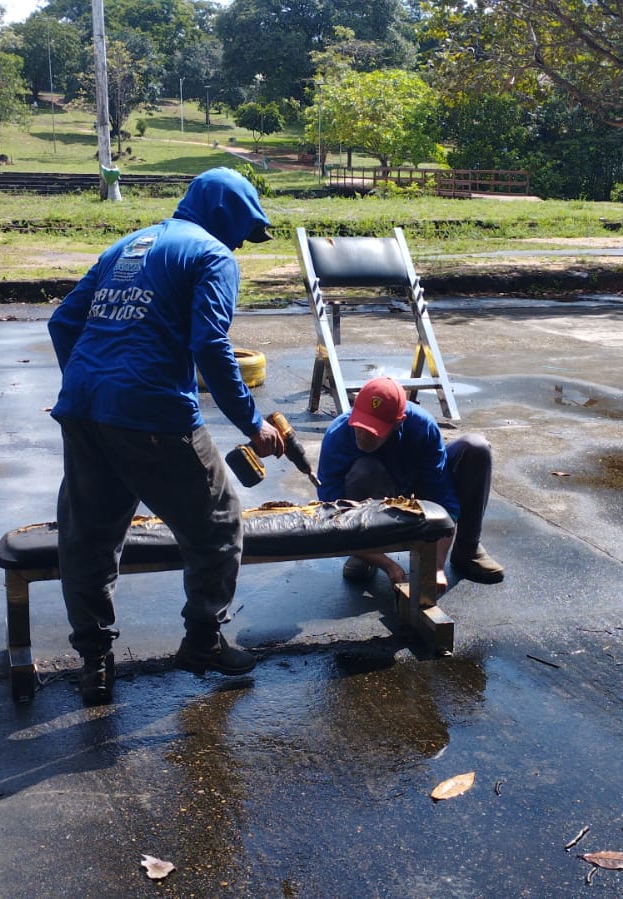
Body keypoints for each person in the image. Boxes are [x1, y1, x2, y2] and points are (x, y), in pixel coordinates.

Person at [48, 167, 284, 706]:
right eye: (242, 230)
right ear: (226, 215)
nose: (239, 244)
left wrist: (94, 384)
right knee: (220, 521)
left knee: (89, 539)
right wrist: (252, 422)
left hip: (84, 409)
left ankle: (96, 663)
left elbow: (64, 323)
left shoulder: (127, 247)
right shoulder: (212, 255)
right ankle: (203, 639)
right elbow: (211, 345)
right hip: (153, 413)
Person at [315, 376, 504, 592]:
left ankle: (467, 550)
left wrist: (436, 567)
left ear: (398, 423)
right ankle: (367, 549)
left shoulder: (422, 427)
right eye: (360, 426)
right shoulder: (337, 436)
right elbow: (333, 519)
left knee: (476, 449)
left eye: (373, 431)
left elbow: (444, 503)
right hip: (375, 489)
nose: (363, 436)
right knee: (364, 471)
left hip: (416, 485)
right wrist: (390, 566)